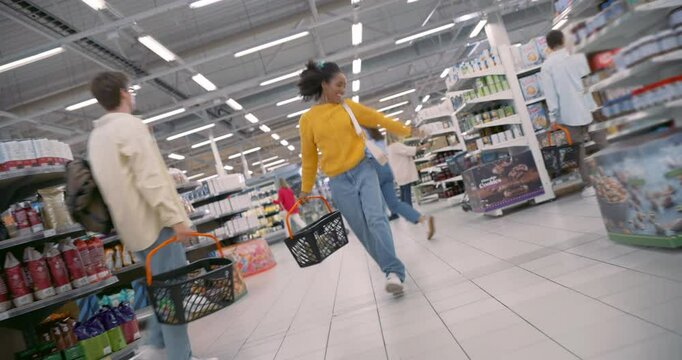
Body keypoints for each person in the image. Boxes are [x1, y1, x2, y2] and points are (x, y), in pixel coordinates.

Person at [87, 72, 215, 360]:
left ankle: (153, 348)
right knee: (173, 293)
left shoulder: (96, 137)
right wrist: (176, 218)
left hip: (131, 229)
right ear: (123, 93)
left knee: (162, 290)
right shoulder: (129, 127)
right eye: (130, 91)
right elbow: (150, 178)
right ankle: (179, 356)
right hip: (155, 223)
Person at [297, 60, 423, 294]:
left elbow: (378, 119)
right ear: (324, 84)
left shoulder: (348, 107)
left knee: (376, 219)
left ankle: (393, 272)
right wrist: (305, 188)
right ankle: (390, 268)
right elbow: (309, 157)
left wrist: (407, 130)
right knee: (362, 229)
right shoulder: (307, 120)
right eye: (339, 85)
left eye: (344, 86)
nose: (342, 90)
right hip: (338, 181)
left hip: (363, 169)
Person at [540, 30, 607, 197]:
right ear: (563, 40)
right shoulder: (577, 55)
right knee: (602, 142)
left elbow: (551, 96)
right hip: (590, 107)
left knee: (579, 151)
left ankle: (590, 186)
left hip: (568, 114)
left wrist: (554, 117)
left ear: (548, 46)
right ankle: (616, 175)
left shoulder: (547, 66)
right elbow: (590, 78)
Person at [365, 129, 436, 240]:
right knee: (394, 203)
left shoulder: (361, 137)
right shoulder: (378, 138)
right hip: (385, 169)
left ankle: (378, 238)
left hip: (373, 168)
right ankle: (423, 219)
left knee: (375, 205)